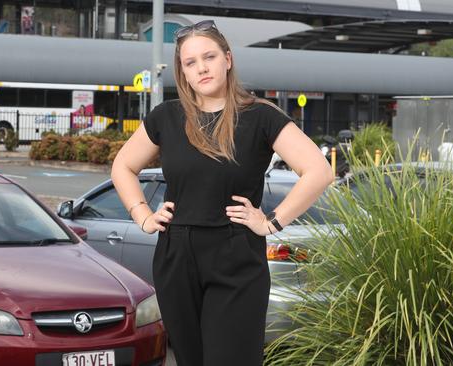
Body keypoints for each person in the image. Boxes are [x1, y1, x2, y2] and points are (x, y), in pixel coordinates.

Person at [110, 20, 333, 365]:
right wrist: (142, 214)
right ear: (182, 72)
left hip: (236, 256)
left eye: (209, 56)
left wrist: (272, 222)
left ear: (227, 59)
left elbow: (318, 170)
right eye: (190, 62)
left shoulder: (260, 116)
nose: (201, 68)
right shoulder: (165, 117)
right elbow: (122, 167)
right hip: (176, 254)